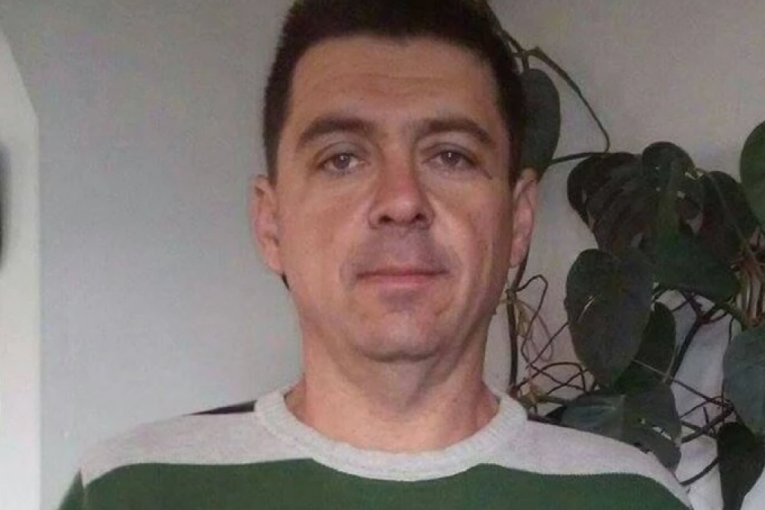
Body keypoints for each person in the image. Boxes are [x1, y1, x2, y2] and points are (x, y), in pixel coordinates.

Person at [59, 0, 690, 508]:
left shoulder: (631, 500)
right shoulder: (126, 491)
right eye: (341, 159)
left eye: (451, 156)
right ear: (272, 224)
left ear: (518, 219)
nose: (401, 200)